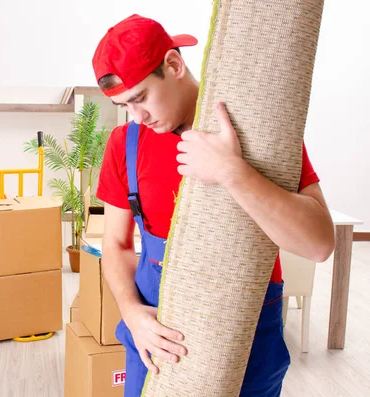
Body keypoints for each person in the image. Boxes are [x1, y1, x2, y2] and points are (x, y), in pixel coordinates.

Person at [92, 14, 335, 397]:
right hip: (157, 341)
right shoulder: (126, 143)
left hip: (248, 337)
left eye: (139, 98)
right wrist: (131, 313)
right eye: (124, 105)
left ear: (173, 65)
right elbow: (116, 244)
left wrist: (231, 171)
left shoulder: (253, 130)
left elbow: (319, 243)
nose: (136, 117)